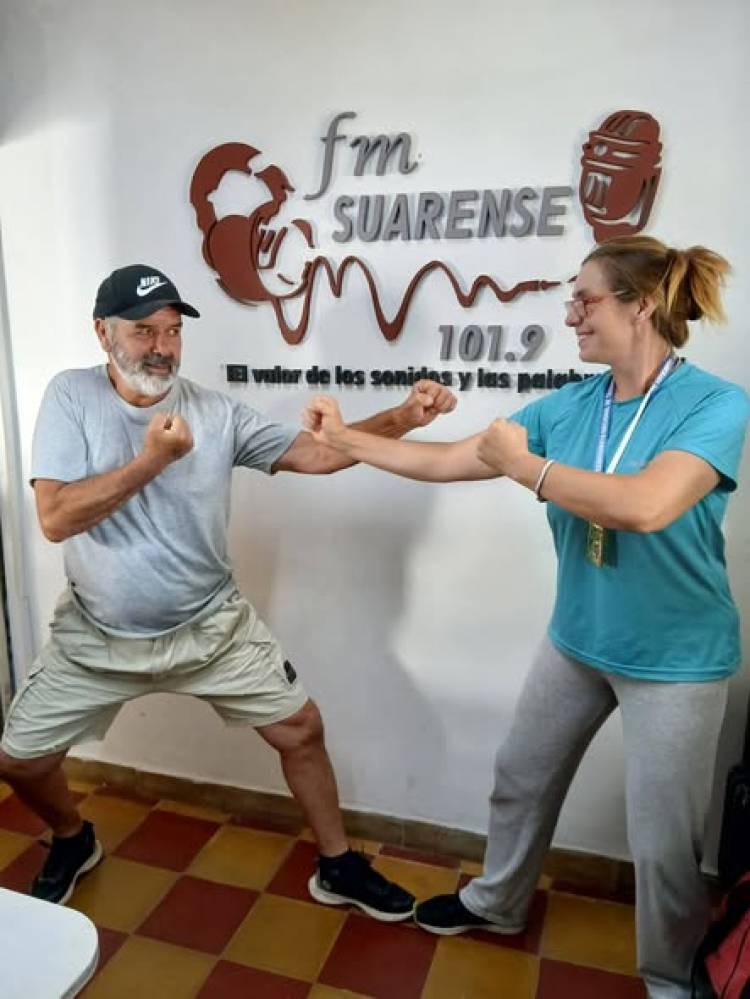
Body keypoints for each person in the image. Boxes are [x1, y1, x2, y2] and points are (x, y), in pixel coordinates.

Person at [304, 236, 750, 998]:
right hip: (578, 639)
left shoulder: (714, 402)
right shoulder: (572, 404)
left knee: (664, 842)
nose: (570, 314)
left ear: (640, 306)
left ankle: (670, 978)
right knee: (520, 775)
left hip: (677, 659)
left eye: (586, 298)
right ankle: (498, 900)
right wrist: (344, 437)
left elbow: (648, 504)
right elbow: (448, 460)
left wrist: (529, 470)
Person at [0, 263, 457, 917]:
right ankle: (73, 839)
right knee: (19, 759)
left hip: (211, 625)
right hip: (97, 632)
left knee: (301, 728)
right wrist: (150, 461)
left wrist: (406, 416)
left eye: (173, 331)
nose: (161, 346)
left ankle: (337, 865)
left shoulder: (214, 412)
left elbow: (319, 454)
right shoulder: (70, 397)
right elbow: (56, 516)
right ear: (102, 333)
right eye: (142, 331)